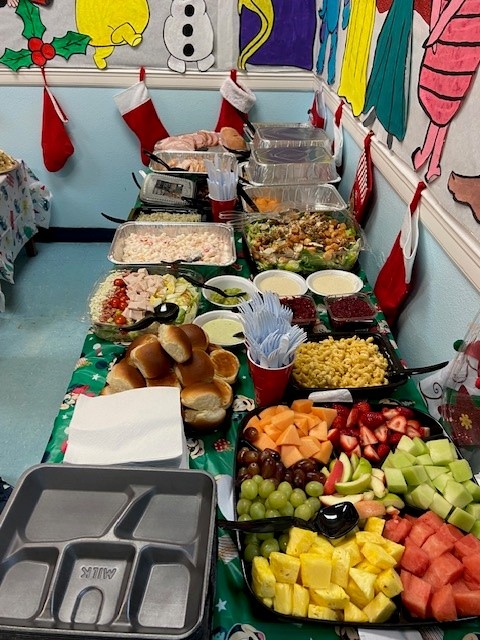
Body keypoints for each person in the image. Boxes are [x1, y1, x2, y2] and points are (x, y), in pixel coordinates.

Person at [412, 0, 480, 183]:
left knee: (447, 98)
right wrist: (435, 30)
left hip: (461, 38)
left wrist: (435, 32)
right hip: (455, 37)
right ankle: (431, 160)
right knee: (444, 97)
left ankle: (429, 157)